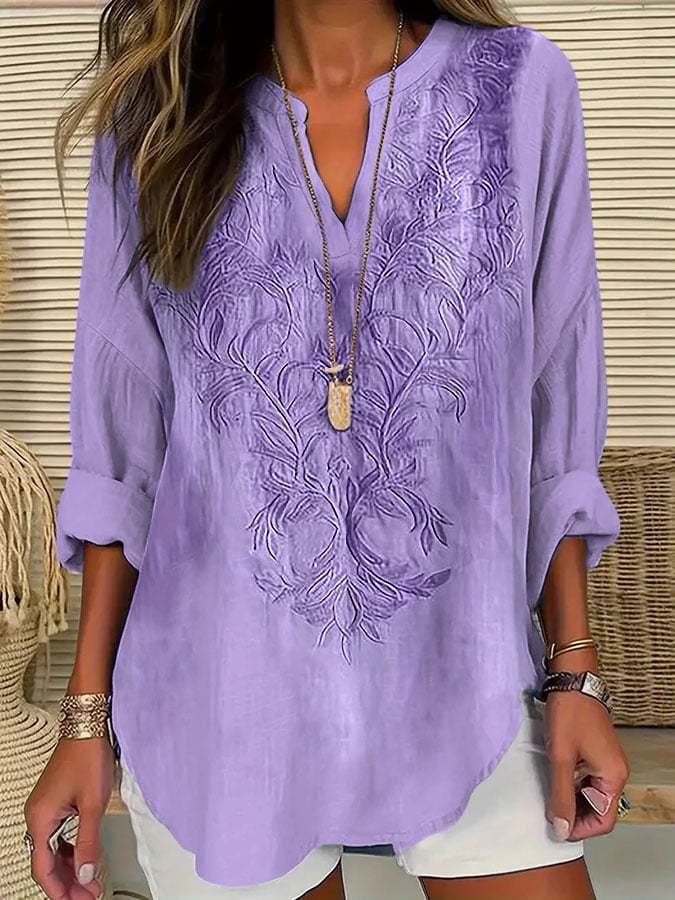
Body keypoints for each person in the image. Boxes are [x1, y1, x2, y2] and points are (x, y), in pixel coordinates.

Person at [24, 1, 631, 898]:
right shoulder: (159, 119)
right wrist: (85, 720)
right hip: (223, 703)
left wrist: (574, 675)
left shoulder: (518, 89)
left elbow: (553, 407)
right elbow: (124, 456)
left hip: (466, 678)